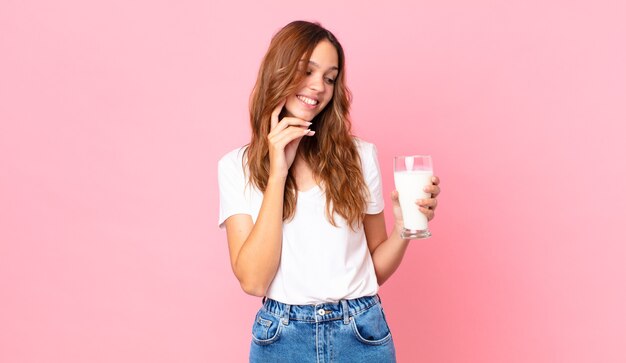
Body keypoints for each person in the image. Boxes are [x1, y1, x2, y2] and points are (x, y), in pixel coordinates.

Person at [218, 20, 441, 363]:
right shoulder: (237, 167)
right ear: (278, 71)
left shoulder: (359, 156)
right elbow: (254, 281)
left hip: (361, 333)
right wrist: (278, 172)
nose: (318, 86)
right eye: (307, 71)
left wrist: (403, 228)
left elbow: (372, 271)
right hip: (281, 339)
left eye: (329, 77)